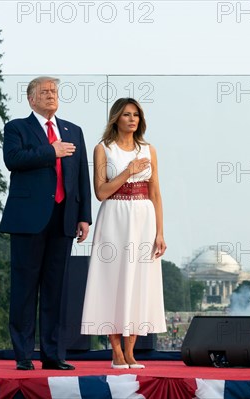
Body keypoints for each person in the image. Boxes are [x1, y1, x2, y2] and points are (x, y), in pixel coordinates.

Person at [0, 76, 92, 371]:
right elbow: (13, 159)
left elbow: (81, 177)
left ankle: (53, 355)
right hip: (28, 220)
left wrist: (84, 216)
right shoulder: (17, 127)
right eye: (45, 91)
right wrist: (51, 151)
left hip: (64, 219)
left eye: (54, 91)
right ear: (31, 99)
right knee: (24, 290)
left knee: (56, 291)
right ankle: (24, 355)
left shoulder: (73, 131)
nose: (52, 95)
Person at [80, 97, 167, 369]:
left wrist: (160, 232)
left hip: (144, 218)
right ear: (116, 118)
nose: (132, 119)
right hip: (114, 216)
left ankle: (131, 351)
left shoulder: (149, 149)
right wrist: (129, 171)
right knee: (112, 280)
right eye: (127, 114)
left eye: (136, 115)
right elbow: (101, 192)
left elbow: (155, 192)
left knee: (140, 280)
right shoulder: (103, 149)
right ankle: (116, 350)